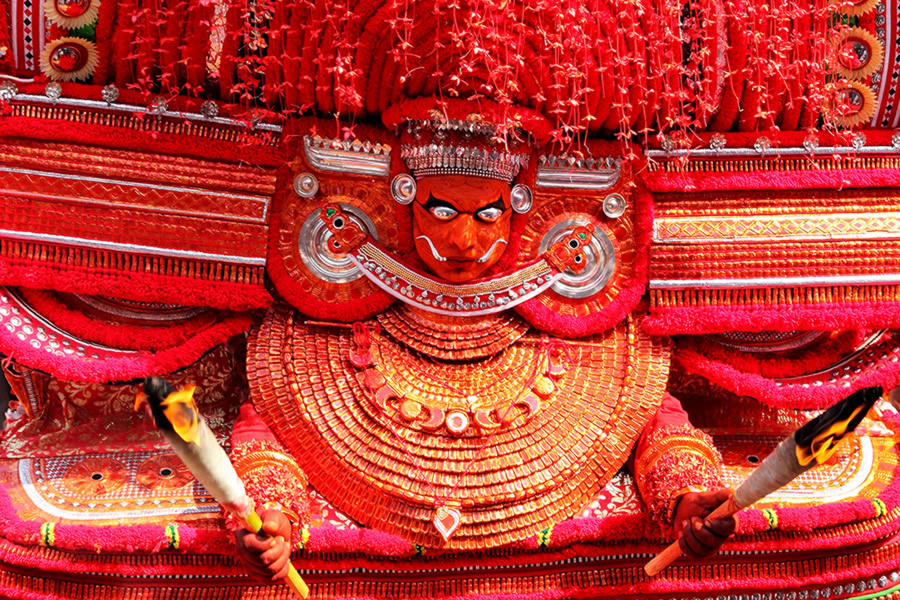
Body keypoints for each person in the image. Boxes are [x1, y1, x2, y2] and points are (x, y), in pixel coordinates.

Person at [230, 100, 736, 582]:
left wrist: (684, 493)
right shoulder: (322, 331)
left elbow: (650, 419)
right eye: (442, 213)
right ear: (403, 204)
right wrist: (272, 515)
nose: (464, 243)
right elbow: (276, 424)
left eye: (487, 215)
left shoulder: (584, 331)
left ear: (520, 211)